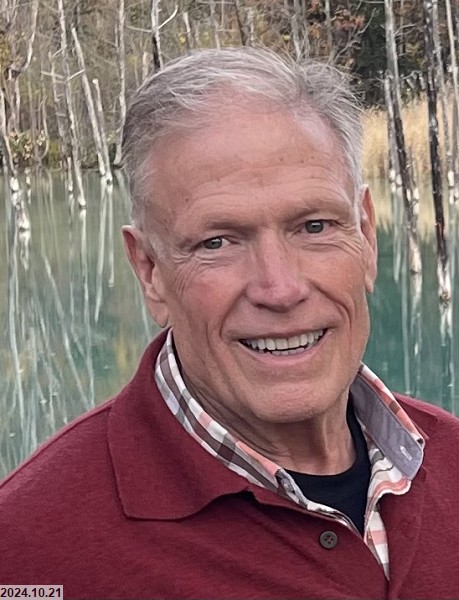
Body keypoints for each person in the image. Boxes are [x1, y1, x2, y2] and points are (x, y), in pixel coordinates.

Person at [1, 48, 458, 600]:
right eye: (217, 242)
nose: (280, 289)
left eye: (314, 226)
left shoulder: (451, 458)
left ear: (365, 234)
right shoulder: (29, 549)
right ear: (149, 271)